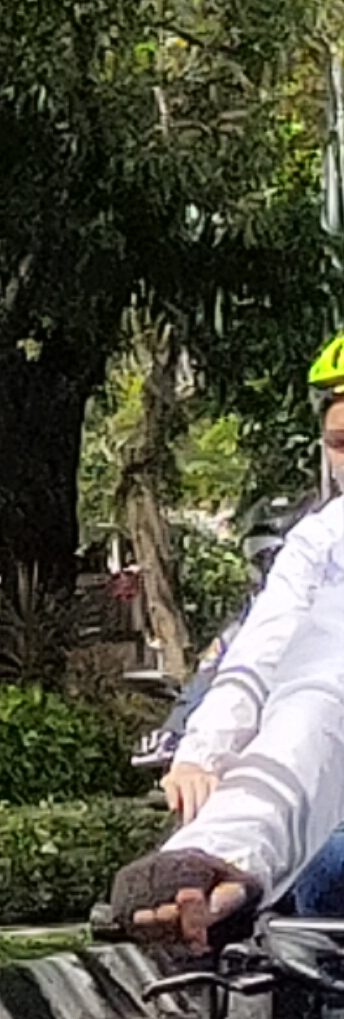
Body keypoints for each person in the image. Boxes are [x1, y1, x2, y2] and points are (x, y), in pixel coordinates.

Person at [156, 338, 344, 927]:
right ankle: (209, 872)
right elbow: (270, 659)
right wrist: (201, 756)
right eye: (339, 444)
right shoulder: (324, 541)